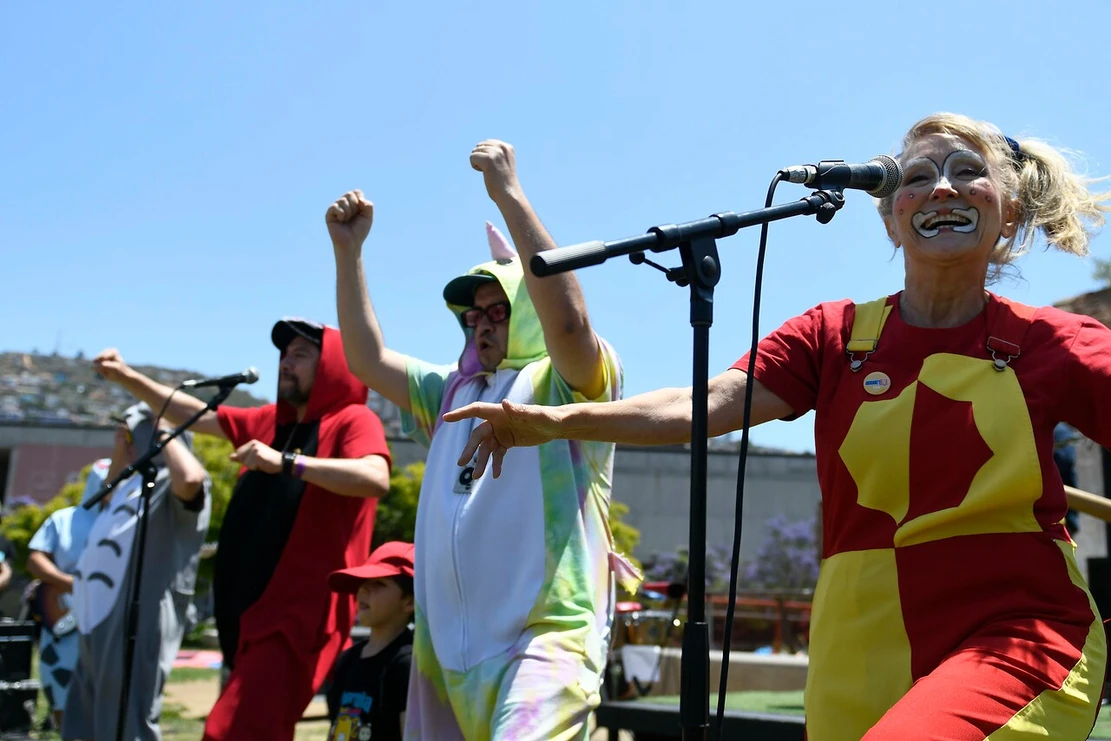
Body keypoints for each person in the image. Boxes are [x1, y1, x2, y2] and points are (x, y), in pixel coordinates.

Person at [445, 113, 1111, 740]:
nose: (940, 186)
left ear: (1009, 209)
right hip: (856, 643)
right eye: (914, 176)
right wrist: (552, 418)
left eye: (966, 170)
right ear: (889, 217)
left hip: (1014, 627)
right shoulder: (832, 336)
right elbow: (700, 405)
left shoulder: (1056, 342)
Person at [327, 139, 635, 741]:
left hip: (545, 639)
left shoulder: (571, 381)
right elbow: (366, 358)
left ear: (526, 310)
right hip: (445, 657)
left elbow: (569, 322)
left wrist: (509, 194)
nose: (482, 323)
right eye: (473, 316)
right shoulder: (452, 391)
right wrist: (348, 254)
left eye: (499, 310)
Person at [92, 319, 392, 741]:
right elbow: (191, 413)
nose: (286, 364)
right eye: (284, 355)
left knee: (231, 731)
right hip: (252, 614)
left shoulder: (352, 420)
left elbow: (374, 476)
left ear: (333, 367)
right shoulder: (271, 422)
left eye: (301, 355)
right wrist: (127, 376)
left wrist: (286, 463)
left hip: (298, 617)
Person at [62, 404, 210, 741]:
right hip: (96, 619)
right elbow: (109, 494)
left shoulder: (172, 484)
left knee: (125, 722)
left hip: (134, 621)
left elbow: (190, 480)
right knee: (85, 721)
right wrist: (122, 447)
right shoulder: (130, 487)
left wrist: (161, 428)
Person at [25, 457, 110, 727]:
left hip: (106, 625)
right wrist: (71, 584)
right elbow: (35, 560)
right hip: (63, 623)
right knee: (62, 692)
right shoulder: (63, 519)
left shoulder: (130, 524)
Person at [325, 541, 416, 741]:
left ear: (409, 601)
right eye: (362, 583)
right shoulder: (347, 660)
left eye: (378, 584)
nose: (363, 590)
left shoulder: (407, 665)